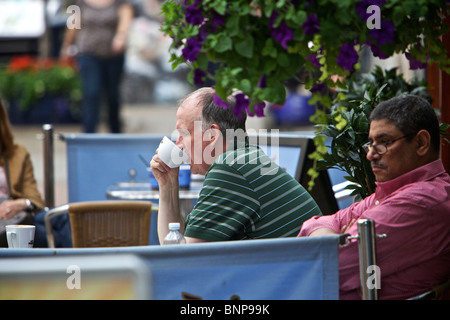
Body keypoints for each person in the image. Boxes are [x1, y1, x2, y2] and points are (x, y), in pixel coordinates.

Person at [298, 94, 450, 299]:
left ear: (421, 143)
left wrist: (333, 237)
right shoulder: (395, 191)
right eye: (370, 143)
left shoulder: (420, 201)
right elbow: (315, 225)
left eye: (384, 142)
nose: (370, 154)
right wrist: (331, 238)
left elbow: (324, 267)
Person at [150, 87, 322, 244]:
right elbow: (175, 242)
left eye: (183, 133)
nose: (178, 144)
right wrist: (167, 184)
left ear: (212, 136)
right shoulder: (244, 158)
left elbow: (183, 259)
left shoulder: (229, 169)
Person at [60, 0, 134, 133]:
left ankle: (115, 134)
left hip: (113, 55)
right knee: (91, 93)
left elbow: (126, 17)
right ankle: (89, 134)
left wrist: (121, 36)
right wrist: (67, 46)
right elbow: (73, 24)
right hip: (88, 54)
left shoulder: (120, 2)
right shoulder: (80, 3)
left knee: (112, 95)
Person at [0, 99, 46, 247]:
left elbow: (35, 199)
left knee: (59, 219)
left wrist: (20, 203)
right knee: (49, 231)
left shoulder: (18, 153)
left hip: (17, 219)